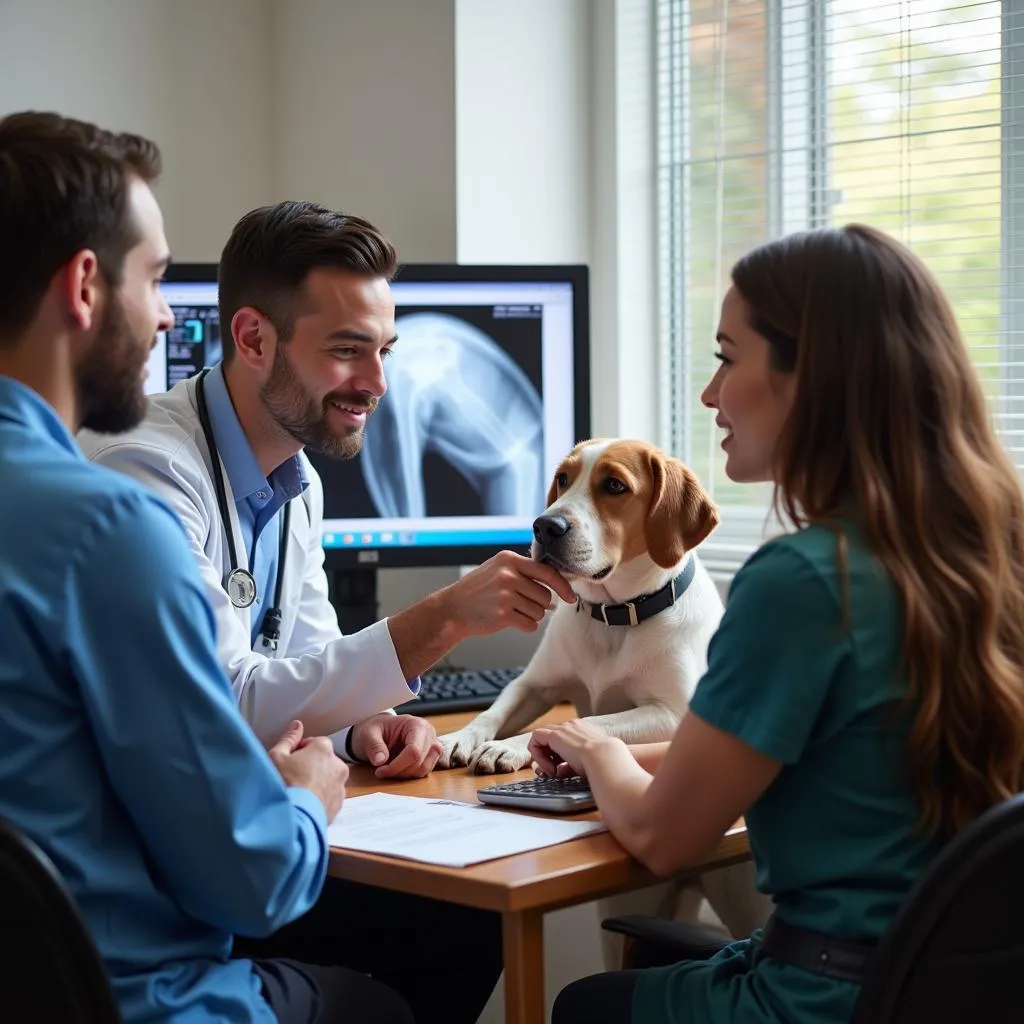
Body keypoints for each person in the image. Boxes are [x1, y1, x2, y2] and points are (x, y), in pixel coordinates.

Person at [80, 199, 576, 1023]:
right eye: (347, 351)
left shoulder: (295, 479)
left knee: (467, 917)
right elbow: (226, 699)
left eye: (384, 351)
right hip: (169, 881)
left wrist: (362, 729)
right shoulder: (148, 474)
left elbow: (306, 662)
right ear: (251, 339)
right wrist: (443, 618)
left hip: (238, 835)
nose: (377, 385)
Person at [532, 224, 1024, 1024]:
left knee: (581, 1006)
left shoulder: (801, 582)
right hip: (957, 994)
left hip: (822, 1001)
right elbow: (829, 754)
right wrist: (628, 750)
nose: (710, 394)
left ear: (813, 379)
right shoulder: (987, 551)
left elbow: (662, 840)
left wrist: (594, 746)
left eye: (727, 357)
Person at [0, 109, 413, 1023]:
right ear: (82, 286)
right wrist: (306, 796)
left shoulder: (270, 486)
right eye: (153, 278)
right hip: (138, 998)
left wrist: (342, 736)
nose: (162, 315)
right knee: (392, 983)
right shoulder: (108, 527)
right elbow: (254, 882)